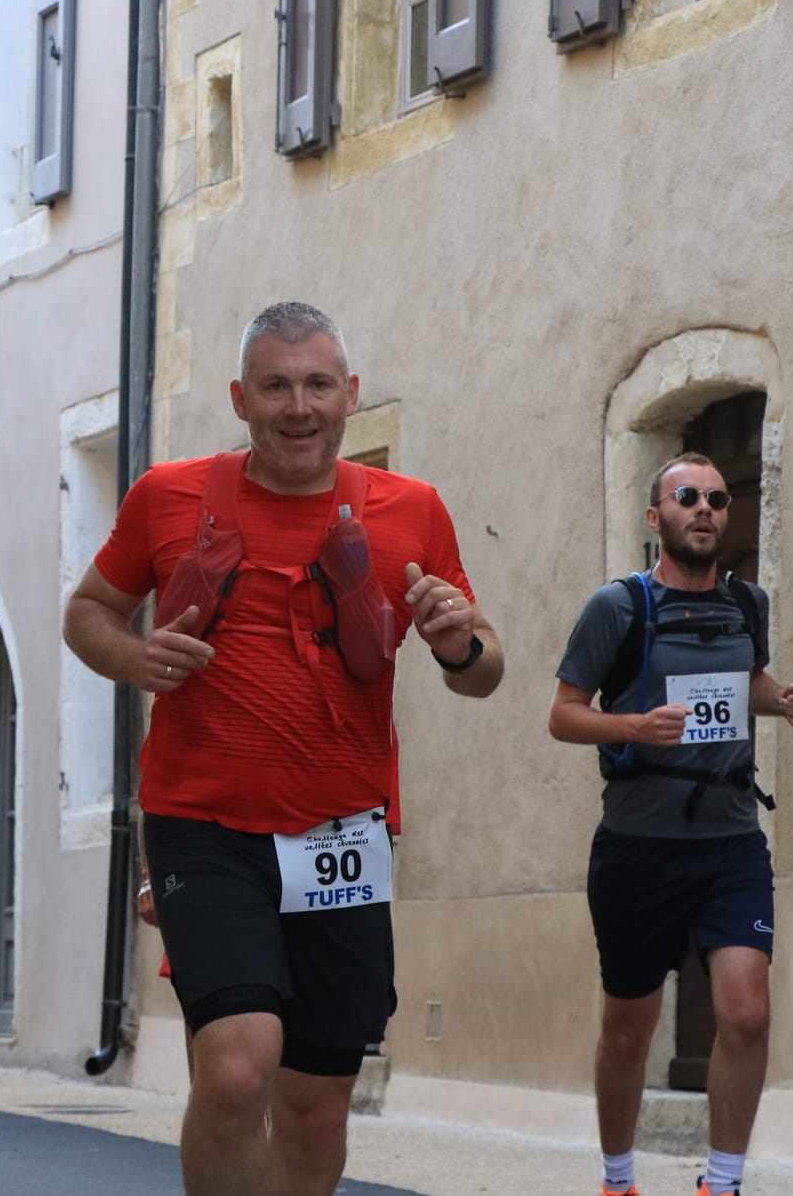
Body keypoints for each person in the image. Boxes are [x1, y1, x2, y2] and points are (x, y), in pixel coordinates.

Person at [65, 301, 504, 1196]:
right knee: (235, 1065)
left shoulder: (411, 511)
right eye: (275, 386)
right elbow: (87, 614)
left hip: (341, 837)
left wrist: (458, 638)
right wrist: (137, 656)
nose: (297, 406)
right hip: (205, 826)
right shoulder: (168, 497)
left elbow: (484, 670)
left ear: (350, 395)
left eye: (316, 385)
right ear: (240, 398)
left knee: (315, 1104)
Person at [548, 452, 793, 1196]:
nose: (705, 508)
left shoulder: (746, 604)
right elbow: (564, 714)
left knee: (749, 1013)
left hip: (730, 840)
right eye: (687, 496)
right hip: (638, 848)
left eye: (717, 498)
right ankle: (617, 1178)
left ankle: (722, 1182)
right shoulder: (620, 606)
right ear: (656, 515)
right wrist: (634, 724)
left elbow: (745, 683)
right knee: (630, 1028)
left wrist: (783, 700)